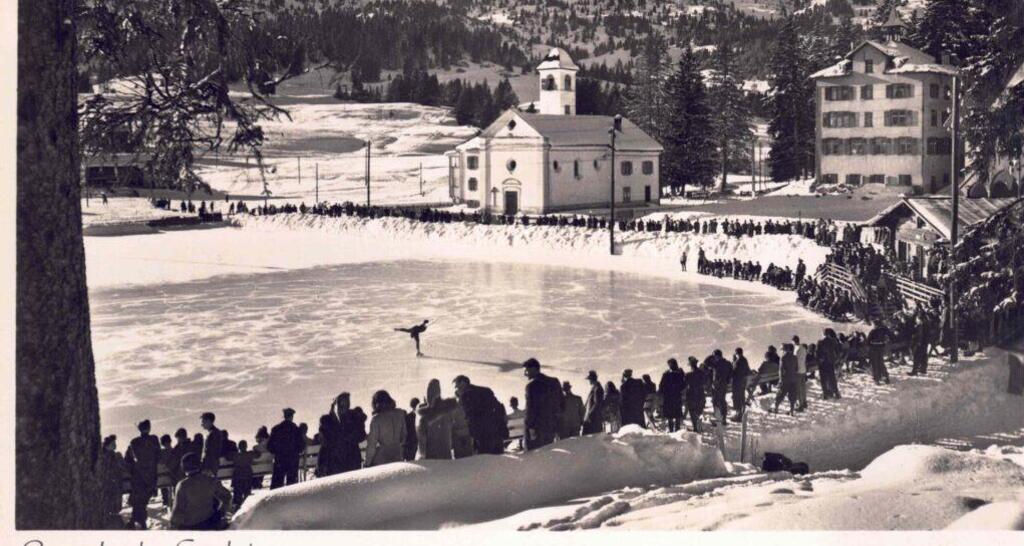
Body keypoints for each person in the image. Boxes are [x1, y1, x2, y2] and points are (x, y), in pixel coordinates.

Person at [169, 453, 232, 530]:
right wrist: (221, 511)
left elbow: (177, 511)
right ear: (199, 465)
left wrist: (173, 525)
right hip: (209, 521)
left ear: (183, 468)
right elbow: (227, 496)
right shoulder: (211, 480)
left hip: (191, 526)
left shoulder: (183, 485)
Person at [453, 375, 506, 455]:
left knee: (484, 457)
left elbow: (469, 415)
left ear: (463, 383)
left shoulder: (466, 396)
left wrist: (460, 398)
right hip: (495, 430)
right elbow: (498, 407)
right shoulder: (485, 390)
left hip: (481, 434)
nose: (457, 389)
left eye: (458, 386)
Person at [125, 419, 161, 529]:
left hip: (138, 477)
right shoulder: (154, 440)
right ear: (149, 428)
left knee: (138, 500)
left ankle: (135, 521)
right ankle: (139, 522)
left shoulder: (134, 442)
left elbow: (128, 459)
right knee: (142, 501)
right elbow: (159, 456)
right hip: (151, 477)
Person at [522, 358, 563, 449]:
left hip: (537, 430)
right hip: (552, 428)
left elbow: (530, 410)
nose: (525, 373)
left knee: (533, 455)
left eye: (527, 370)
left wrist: (530, 427)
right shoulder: (554, 382)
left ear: (533, 369)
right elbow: (562, 403)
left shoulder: (531, 387)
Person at [366, 390, 408, 466]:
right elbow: (404, 435)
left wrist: (367, 463)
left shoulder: (376, 420)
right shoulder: (400, 414)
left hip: (383, 458)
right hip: (398, 455)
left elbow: (371, 445)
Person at [416, 379, 455, 460]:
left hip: (430, 455)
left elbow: (421, 438)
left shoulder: (423, 416)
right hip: (446, 452)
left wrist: (422, 454)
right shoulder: (448, 410)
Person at [268, 408, 306, 488]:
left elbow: (269, 446)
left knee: (277, 484)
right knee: (292, 485)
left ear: (284, 416)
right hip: (292, 461)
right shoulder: (296, 430)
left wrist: (277, 451)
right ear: (292, 417)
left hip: (279, 460)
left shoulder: (276, 429)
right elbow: (302, 446)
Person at [330, 393, 368, 473]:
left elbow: (361, 435)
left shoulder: (352, 416)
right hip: (343, 457)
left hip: (349, 456)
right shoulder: (334, 418)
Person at [99, 435, 126, 529]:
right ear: (108, 445)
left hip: (115, 483)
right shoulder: (107, 456)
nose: (115, 445)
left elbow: (122, 467)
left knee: (114, 504)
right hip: (110, 484)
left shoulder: (114, 455)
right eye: (113, 443)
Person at [659, 359, 686, 432]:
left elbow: (661, 386)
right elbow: (683, 385)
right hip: (674, 396)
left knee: (672, 415)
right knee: (675, 414)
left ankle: (674, 430)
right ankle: (675, 430)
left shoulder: (667, 374)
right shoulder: (679, 373)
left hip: (670, 396)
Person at [230, 440, 257, 507]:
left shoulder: (235, 455)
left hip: (238, 476)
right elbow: (258, 454)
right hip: (247, 476)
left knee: (237, 494)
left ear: (238, 447)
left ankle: (237, 505)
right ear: (246, 446)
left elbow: (227, 457)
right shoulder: (250, 454)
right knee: (247, 493)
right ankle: (246, 506)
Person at [775, 344, 800, 415]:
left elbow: (781, 370)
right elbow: (796, 368)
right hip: (794, 379)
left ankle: (776, 408)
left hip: (786, 379)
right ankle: (791, 411)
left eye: (782, 350)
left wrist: (780, 380)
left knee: (781, 394)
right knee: (792, 395)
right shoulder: (795, 357)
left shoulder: (783, 358)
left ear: (784, 350)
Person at [817, 328, 842, 399]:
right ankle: (836, 393)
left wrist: (819, 360)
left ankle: (825, 394)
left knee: (823, 379)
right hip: (831, 362)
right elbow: (838, 351)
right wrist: (835, 359)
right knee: (832, 378)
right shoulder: (834, 341)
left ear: (823, 334)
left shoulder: (820, 342)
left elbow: (817, 353)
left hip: (823, 363)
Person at [684, 357, 706, 432]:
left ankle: (696, 428)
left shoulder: (688, 375)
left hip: (691, 395)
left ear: (690, 365)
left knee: (693, 412)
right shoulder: (702, 373)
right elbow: (705, 382)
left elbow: (685, 385)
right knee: (699, 411)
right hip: (700, 394)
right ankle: (699, 427)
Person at [199, 412, 224, 477]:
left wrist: (206, 467)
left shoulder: (213, 434)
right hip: (212, 465)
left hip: (210, 466)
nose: (202, 424)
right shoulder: (215, 433)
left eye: (203, 421)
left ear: (209, 421)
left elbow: (211, 452)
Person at [730, 348, 751, 422]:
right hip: (743, 382)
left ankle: (738, 416)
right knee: (741, 398)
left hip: (737, 383)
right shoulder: (745, 360)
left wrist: (733, 362)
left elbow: (733, 371)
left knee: (737, 398)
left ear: (736, 354)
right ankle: (741, 414)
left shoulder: (737, 361)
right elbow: (748, 371)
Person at [582, 370, 604, 435]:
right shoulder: (595, 388)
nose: (589, 381)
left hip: (593, 419)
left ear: (592, 379)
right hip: (592, 418)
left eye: (589, 379)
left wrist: (589, 414)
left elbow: (597, 404)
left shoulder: (597, 388)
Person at [793, 336, 809, 411]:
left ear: (793, 341)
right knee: (803, 387)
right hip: (803, 370)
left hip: (798, 371)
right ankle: (804, 402)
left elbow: (795, 361)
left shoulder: (796, 349)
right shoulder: (803, 348)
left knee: (798, 389)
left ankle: (800, 405)